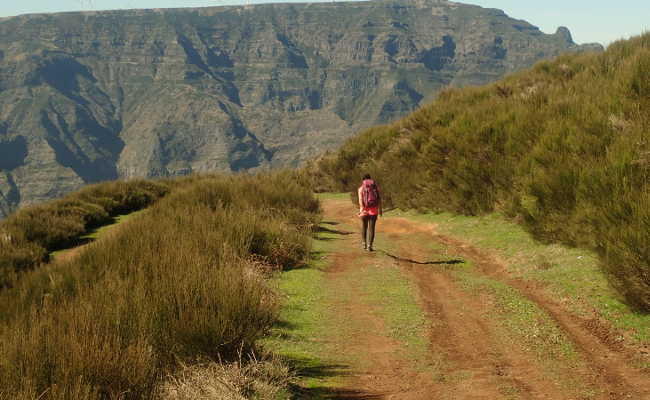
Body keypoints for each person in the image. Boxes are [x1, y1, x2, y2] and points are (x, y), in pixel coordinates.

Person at [358, 174, 382, 251]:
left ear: (363, 180)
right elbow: (379, 199)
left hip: (364, 210)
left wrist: (362, 210)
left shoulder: (361, 189)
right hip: (374, 210)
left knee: (364, 226)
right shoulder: (375, 188)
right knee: (372, 228)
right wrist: (380, 210)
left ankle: (364, 243)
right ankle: (370, 246)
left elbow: (360, 200)